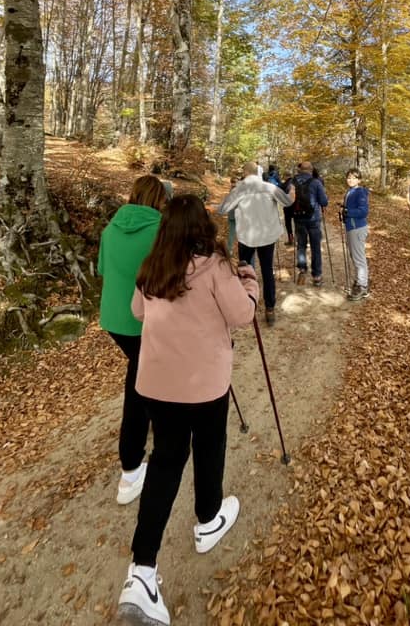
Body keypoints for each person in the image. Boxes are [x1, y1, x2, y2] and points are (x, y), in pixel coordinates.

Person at [117, 195, 259, 625]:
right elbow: (242, 315)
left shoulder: (152, 266)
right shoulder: (215, 267)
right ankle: (207, 517)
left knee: (165, 460)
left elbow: (137, 311)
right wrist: (249, 280)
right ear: (202, 227)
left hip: (157, 384)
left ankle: (142, 570)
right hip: (203, 384)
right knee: (210, 445)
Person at [98, 174, 167, 505]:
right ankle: (130, 467)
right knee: (139, 385)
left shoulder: (110, 230)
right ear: (159, 199)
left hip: (114, 318)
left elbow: (102, 270)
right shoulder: (160, 231)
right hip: (144, 319)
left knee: (145, 373)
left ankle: (157, 425)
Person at [218, 161, 294, 326]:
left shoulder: (239, 189)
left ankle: (243, 305)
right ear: (257, 172)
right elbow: (287, 202)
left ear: (245, 173)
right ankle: (270, 309)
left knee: (244, 271)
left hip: (247, 236)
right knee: (267, 270)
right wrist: (292, 192)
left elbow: (222, 209)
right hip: (267, 236)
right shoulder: (269, 187)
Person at [292, 160, 329, 286]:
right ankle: (317, 276)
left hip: (298, 218)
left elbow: (287, 200)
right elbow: (324, 202)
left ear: (300, 170)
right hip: (313, 219)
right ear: (311, 169)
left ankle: (302, 269)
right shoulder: (316, 182)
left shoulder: (293, 182)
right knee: (315, 247)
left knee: (301, 245)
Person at [342, 168, 370, 300]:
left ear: (359, 180)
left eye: (354, 178)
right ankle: (360, 281)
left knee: (359, 258)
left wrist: (348, 212)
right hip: (352, 227)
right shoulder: (350, 191)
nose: (350, 180)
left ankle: (363, 287)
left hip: (357, 228)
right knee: (355, 256)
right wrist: (344, 212)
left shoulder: (360, 192)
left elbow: (364, 211)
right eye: (349, 177)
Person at [281, 167, 298, 246]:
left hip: (287, 207)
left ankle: (291, 239)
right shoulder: (296, 182)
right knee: (297, 222)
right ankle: (298, 239)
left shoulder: (283, 185)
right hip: (296, 206)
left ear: (285, 176)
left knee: (288, 224)